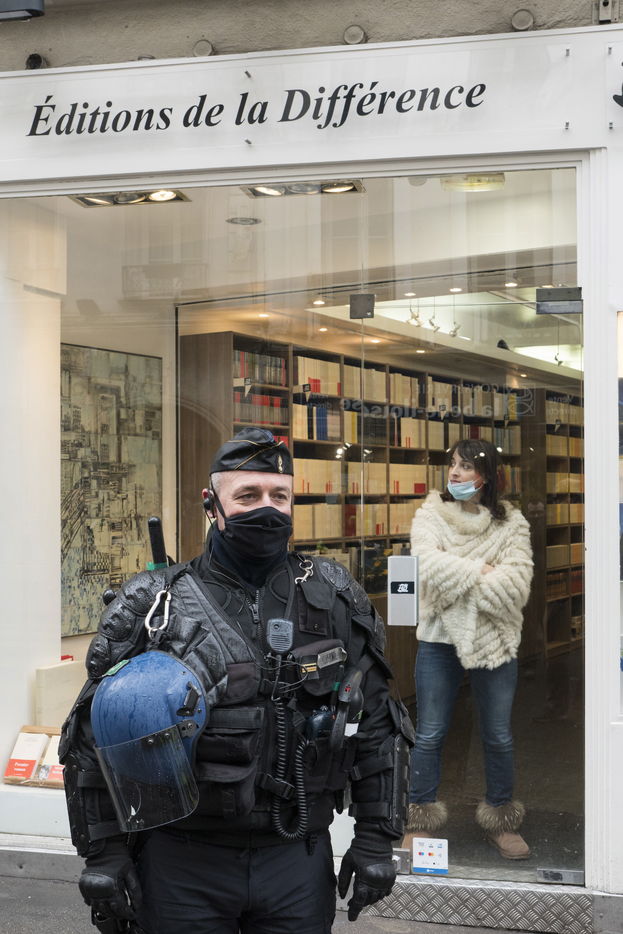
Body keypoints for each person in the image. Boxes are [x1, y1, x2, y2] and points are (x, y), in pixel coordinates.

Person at [60, 427, 413, 934]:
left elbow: (378, 721)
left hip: (296, 856)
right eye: (247, 495)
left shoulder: (334, 597)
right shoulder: (154, 605)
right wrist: (105, 855)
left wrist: (376, 840)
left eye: (279, 496)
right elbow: (92, 735)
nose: (267, 509)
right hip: (181, 860)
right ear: (212, 505)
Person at [404, 438, 533, 860]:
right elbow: (426, 565)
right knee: (430, 733)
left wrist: (456, 581)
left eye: (465, 466)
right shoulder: (431, 514)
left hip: (494, 640)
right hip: (438, 639)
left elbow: (516, 586)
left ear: (487, 475)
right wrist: (481, 569)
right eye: (452, 466)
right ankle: (419, 820)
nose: (455, 473)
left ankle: (501, 820)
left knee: (498, 735)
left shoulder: (511, 523)